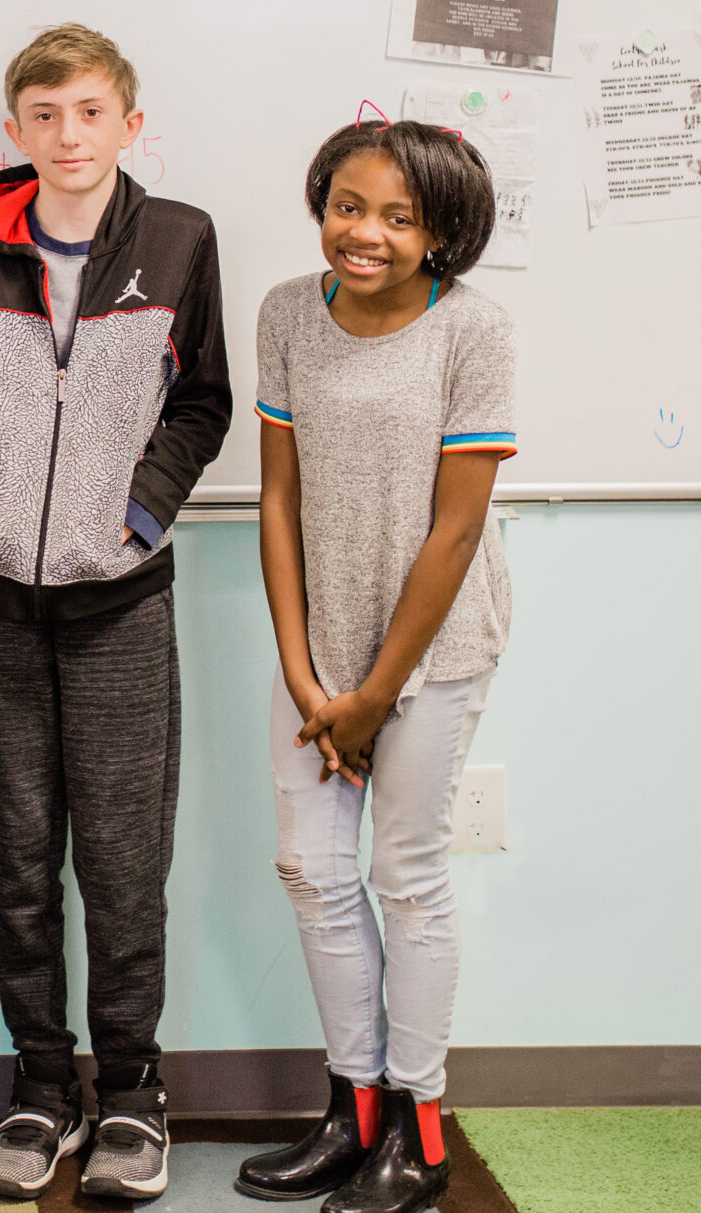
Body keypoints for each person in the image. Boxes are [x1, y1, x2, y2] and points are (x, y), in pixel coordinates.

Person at [0, 23, 230, 1203]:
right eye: (44, 115)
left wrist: (140, 515)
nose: (67, 135)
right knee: (17, 857)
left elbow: (200, 404)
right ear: (16, 131)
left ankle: (133, 1092)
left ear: (127, 124)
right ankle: (41, 1087)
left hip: (119, 603)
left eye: (89, 112)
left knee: (119, 856)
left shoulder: (177, 239)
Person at [237, 115, 511, 1213]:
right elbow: (275, 495)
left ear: (443, 231)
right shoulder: (286, 314)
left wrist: (370, 699)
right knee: (309, 867)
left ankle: (418, 1126)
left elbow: (453, 533)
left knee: (405, 877)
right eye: (348, 205)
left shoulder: (473, 331)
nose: (366, 233)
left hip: (432, 654)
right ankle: (351, 1111)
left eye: (401, 217)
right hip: (322, 655)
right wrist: (309, 683)